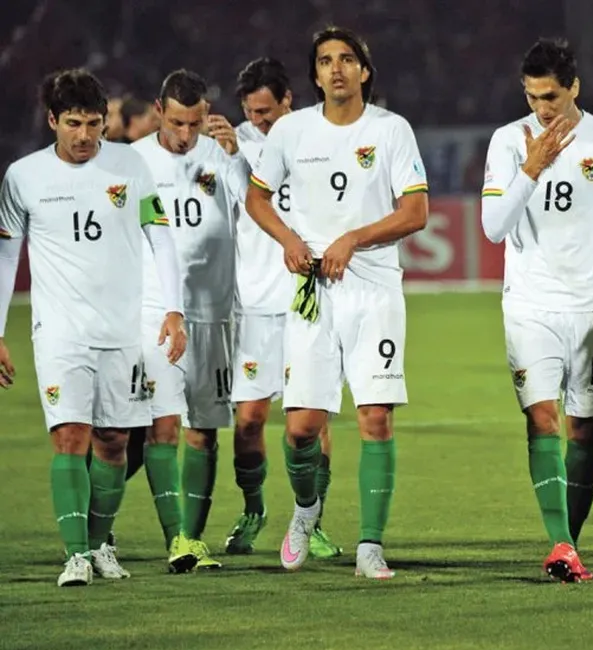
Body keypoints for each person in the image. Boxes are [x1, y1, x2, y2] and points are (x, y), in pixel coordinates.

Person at [245, 26, 428, 579]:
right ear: (316, 74)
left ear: (365, 71)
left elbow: (415, 211)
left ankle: (370, 545)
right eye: (326, 61)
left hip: (373, 291)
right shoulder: (292, 132)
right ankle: (306, 511)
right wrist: (289, 240)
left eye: (348, 59)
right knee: (302, 426)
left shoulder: (391, 130)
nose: (337, 68)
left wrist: (353, 239)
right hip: (312, 292)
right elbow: (256, 197)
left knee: (375, 418)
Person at [0, 68, 186, 586]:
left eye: (95, 124)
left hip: (123, 330)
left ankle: (101, 543)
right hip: (60, 331)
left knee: (113, 442)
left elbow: (161, 237)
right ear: (52, 120)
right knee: (72, 436)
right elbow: (5, 253)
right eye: (75, 124)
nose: (85, 137)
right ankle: (74, 555)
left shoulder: (130, 165)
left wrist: (173, 309)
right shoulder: (24, 176)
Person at [480, 38, 593, 583]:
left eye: (550, 96)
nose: (541, 108)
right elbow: (493, 228)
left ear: (574, 87)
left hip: (591, 306)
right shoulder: (508, 142)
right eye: (531, 97)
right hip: (530, 304)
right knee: (543, 417)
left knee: (585, 430)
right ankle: (561, 544)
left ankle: (566, 543)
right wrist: (531, 168)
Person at [130, 68, 248, 570]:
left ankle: (192, 540)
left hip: (214, 310)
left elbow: (255, 208)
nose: (185, 135)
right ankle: (172, 537)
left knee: (204, 427)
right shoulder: (133, 160)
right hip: (154, 311)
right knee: (158, 425)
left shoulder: (222, 152)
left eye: (194, 124)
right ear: (159, 111)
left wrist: (238, 157)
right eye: (177, 123)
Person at [226, 56, 341, 560]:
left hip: (309, 301)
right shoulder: (234, 145)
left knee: (313, 423)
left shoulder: (316, 138)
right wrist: (233, 155)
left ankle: (312, 519)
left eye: (268, 112)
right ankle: (253, 509)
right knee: (249, 418)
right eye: (253, 113)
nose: (261, 122)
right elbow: (245, 205)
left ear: (289, 100)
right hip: (255, 306)